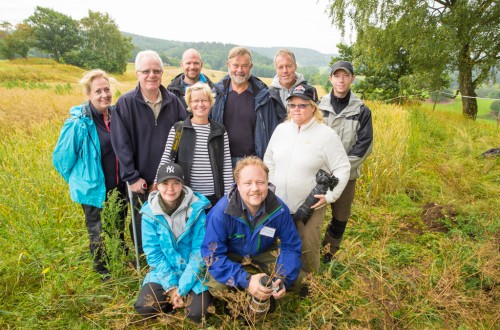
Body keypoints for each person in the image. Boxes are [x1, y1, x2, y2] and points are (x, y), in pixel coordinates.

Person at [264, 83, 350, 274]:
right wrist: (270, 185)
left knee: (307, 247)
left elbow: (343, 167)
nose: (297, 109)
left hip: (310, 205)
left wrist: (330, 197)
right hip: (279, 203)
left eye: (302, 105)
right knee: (278, 243)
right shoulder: (281, 130)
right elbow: (268, 159)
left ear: (313, 107)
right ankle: (280, 278)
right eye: (293, 105)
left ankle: (307, 286)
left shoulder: (326, 135)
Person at [201, 156, 302, 317]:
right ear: (238, 185)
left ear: (268, 183)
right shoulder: (221, 212)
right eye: (247, 183)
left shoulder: (279, 209)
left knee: (298, 279)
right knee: (217, 287)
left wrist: (281, 277)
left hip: (263, 251)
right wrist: (246, 280)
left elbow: (290, 245)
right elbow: (212, 255)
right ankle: (241, 298)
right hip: (231, 254)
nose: (255, 188)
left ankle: (266, 290)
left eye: (260, 182)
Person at [110, 50, 188, 255]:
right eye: (146, 71)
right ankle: (144, 257)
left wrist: (174, 173)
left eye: (156, 71)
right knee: (142, 220)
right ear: (137, 73)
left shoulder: (174, 102)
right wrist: (132, 177)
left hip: (168, 178)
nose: (151, 75)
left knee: (170, 218)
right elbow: (121, 143)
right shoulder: (125, 104)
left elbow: (181, 137)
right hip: (140, 180)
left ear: (162, 73)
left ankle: (168, 254)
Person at [53, 69, 127, 278]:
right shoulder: (79, 123)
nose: (104, 95)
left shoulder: (116, 116)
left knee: (118, 224)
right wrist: (79, 180)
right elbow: (61, 159)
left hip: (118, 185)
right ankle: (102, 268)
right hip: (93, 188)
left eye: (106, 89)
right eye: (98, 91)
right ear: (89, 94)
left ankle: (119, 256)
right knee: (98, 230)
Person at [134, 162, 212, 323]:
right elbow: (154, 255)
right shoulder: (149, 213)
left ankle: (178, 300)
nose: (171, 188)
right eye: (165, 183)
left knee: (197, 314)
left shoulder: (197, 210)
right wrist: (171, 287)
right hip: (164, 272)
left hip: (193, 273)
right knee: (144, 307)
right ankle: (173, 301)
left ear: (182, 185)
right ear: (157, 185)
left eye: (176, 183)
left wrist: (181, 288)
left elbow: (199, 252)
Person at [318, 60, 373, 262]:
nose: (341, 80)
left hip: (347, 176)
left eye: (345, 75)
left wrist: (340, 170)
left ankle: (328, 253)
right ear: (330, 78)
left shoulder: (361, 110)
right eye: (337, 75)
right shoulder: (318, 106)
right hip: (319, 175)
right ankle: (310, 253)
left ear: (352, 78)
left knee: (340, 217)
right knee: (313, 216)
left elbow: (365, 145)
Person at [157, 82, 233, 209]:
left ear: (211, 102)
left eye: (204, 100)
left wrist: (228, 196)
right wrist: (157, 182)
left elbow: (226, 165)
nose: (200, 104)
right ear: (189, 104)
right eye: (195, 101)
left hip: (214, 196)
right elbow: (167, 158)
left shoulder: (220, 130)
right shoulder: (179, 129)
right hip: (187, 195)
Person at [210, 47, 282, 167]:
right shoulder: (216, 94)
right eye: (235, 65)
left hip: (253, 162)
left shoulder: (264, 96)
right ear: (228, 65)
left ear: (251, 66)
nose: (240, 70)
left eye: (244, 65)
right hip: (222, 162)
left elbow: (272, 132)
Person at [269, 48, 307, 116]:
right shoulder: (268, 94)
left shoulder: (308, 91)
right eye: (280, 67)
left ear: (295, 66)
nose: (285, 71)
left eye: (288, 66)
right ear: (276, 69)